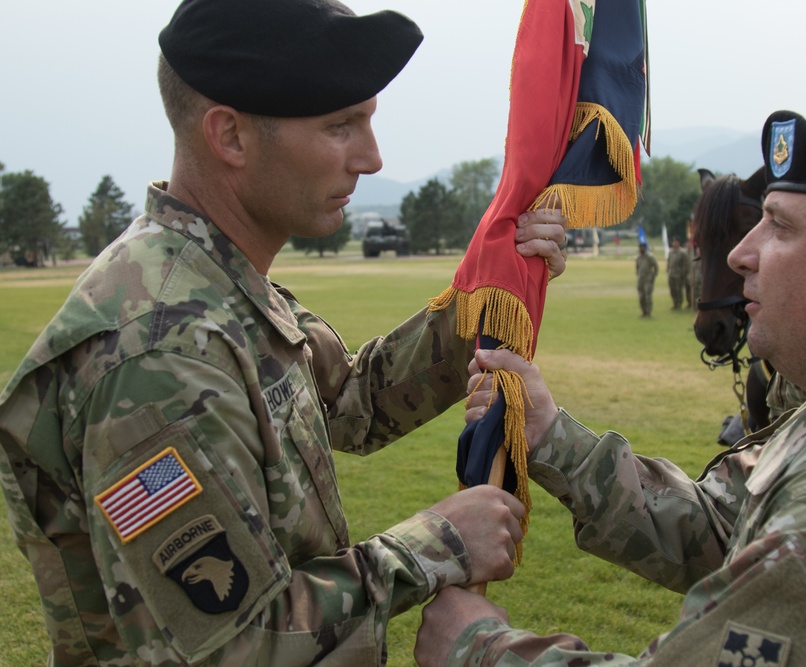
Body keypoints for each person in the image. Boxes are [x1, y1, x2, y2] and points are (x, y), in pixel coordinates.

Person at [0, 1, 570, 664]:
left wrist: (491, 287)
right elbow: (238, 644)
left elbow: (356, 399)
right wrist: (438, 540)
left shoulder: (216, 283)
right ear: (232, 137)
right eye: (340, 126)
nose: (372, 157)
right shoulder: (159, 347)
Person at [414, 111, 806, 666]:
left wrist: (476, 649)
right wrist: (550, 435)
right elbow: (725, 526)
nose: (742, 254)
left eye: (781, 227)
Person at [666, 237, 691, 309]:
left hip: (679, 275)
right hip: (671, 274)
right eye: (673, 242)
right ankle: (675, 303)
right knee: (672, 290)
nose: (674, 243)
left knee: (679, 290)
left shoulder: (682, 252)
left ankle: (679, 303)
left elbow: (686, 264)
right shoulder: (671, 252)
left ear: (678, 243)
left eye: (676, 242)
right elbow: (669, 262)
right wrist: (668, 270)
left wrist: (684, 273)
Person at [635, 241, 658, 317]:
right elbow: (637, 268)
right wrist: (638, 276)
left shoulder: (650, 257)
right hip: (640, 280)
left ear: (645, 248)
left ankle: (648, 312)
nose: (642, 248)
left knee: (648, 296)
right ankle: (643, 311)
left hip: (648, 280)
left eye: (643, 247)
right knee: (641, 297)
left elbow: (656, 267)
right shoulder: (638, 257)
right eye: (640, 247)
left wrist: (653, 277)